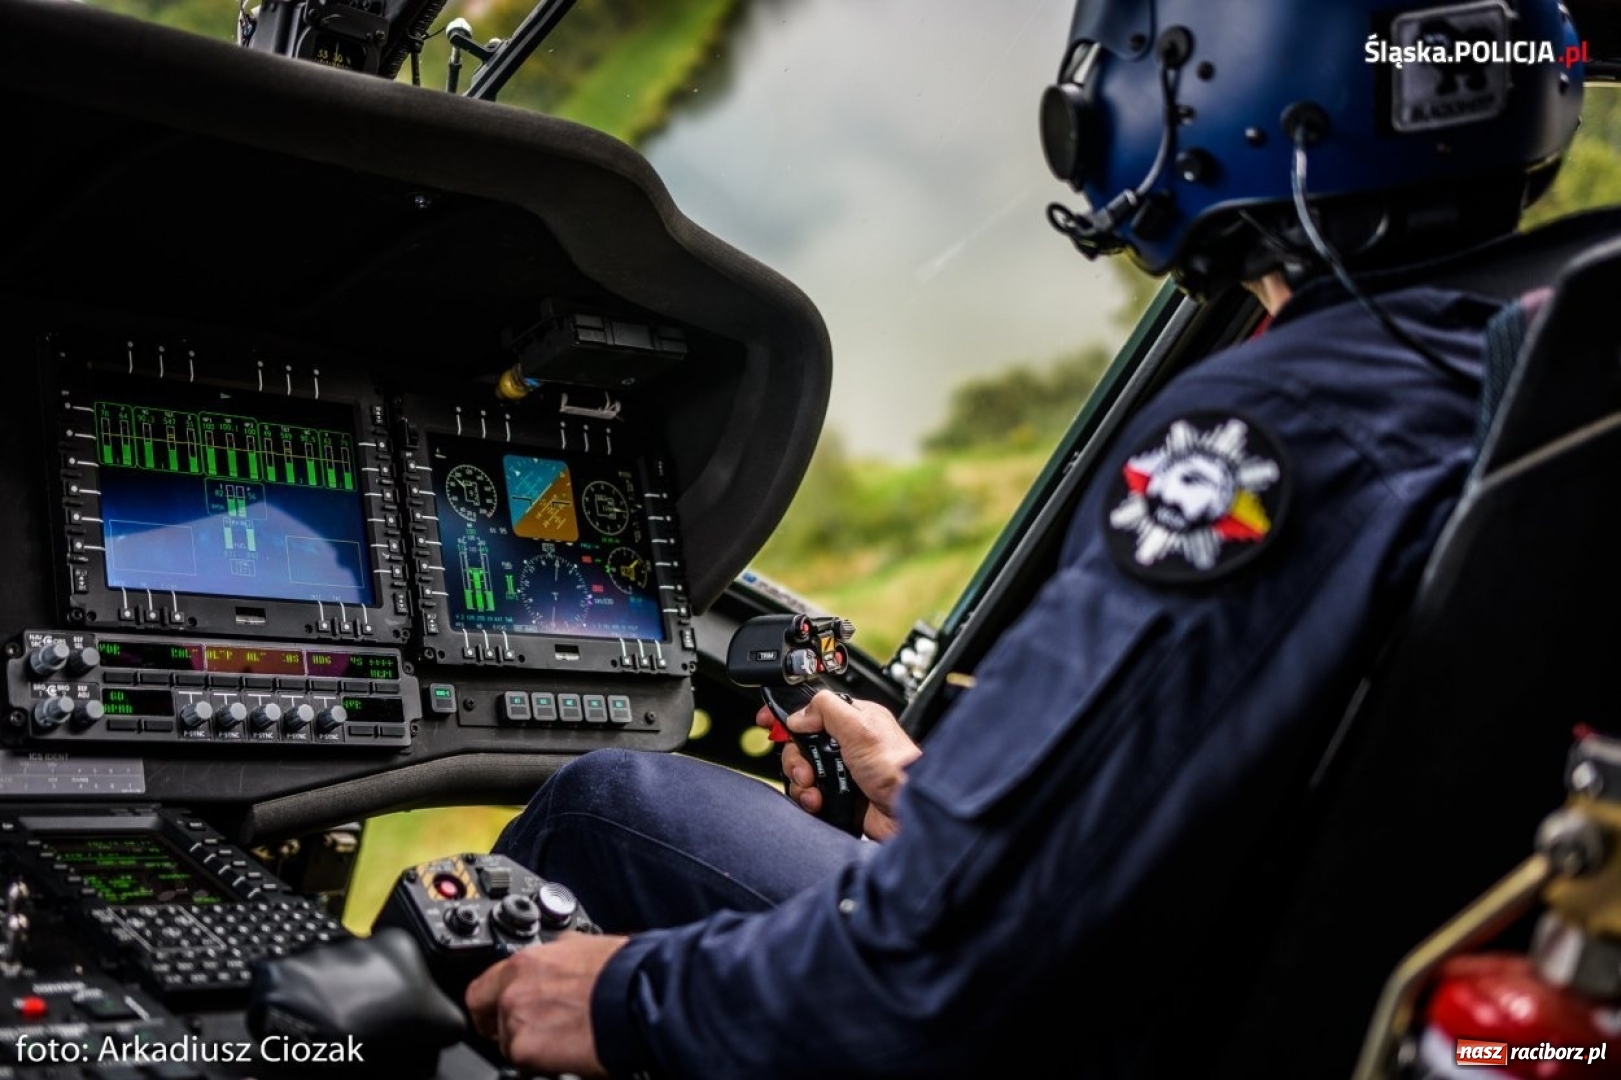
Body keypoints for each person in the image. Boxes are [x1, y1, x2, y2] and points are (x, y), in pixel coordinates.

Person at [466, 0, 1585, 1075]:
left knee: (609, 807)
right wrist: (938, 794)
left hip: (1105, 1030)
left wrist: (621, 999)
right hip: (1273, 999)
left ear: (1218, 79)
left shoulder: (1272, 441)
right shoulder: (1545, 369)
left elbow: (937, 969)